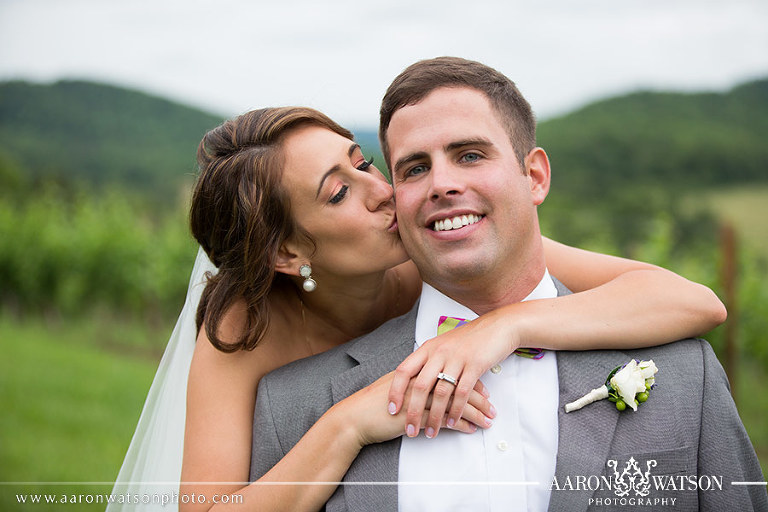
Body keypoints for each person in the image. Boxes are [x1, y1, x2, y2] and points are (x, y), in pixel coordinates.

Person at [111, 104, 726, 510]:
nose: (386, 193)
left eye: (363, 162)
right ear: (287, 251)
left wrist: (502, 326)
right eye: (339, 192)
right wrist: (346, 425)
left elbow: (691, 301)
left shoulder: (428, 252)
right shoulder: (244, 330)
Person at [248, 57, 767, 511]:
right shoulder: (296, 407)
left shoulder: (685, 372)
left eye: (471, 155)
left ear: (535, 177)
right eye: (413, 168)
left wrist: (507, 327)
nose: (444, 184)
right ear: (397, 199)